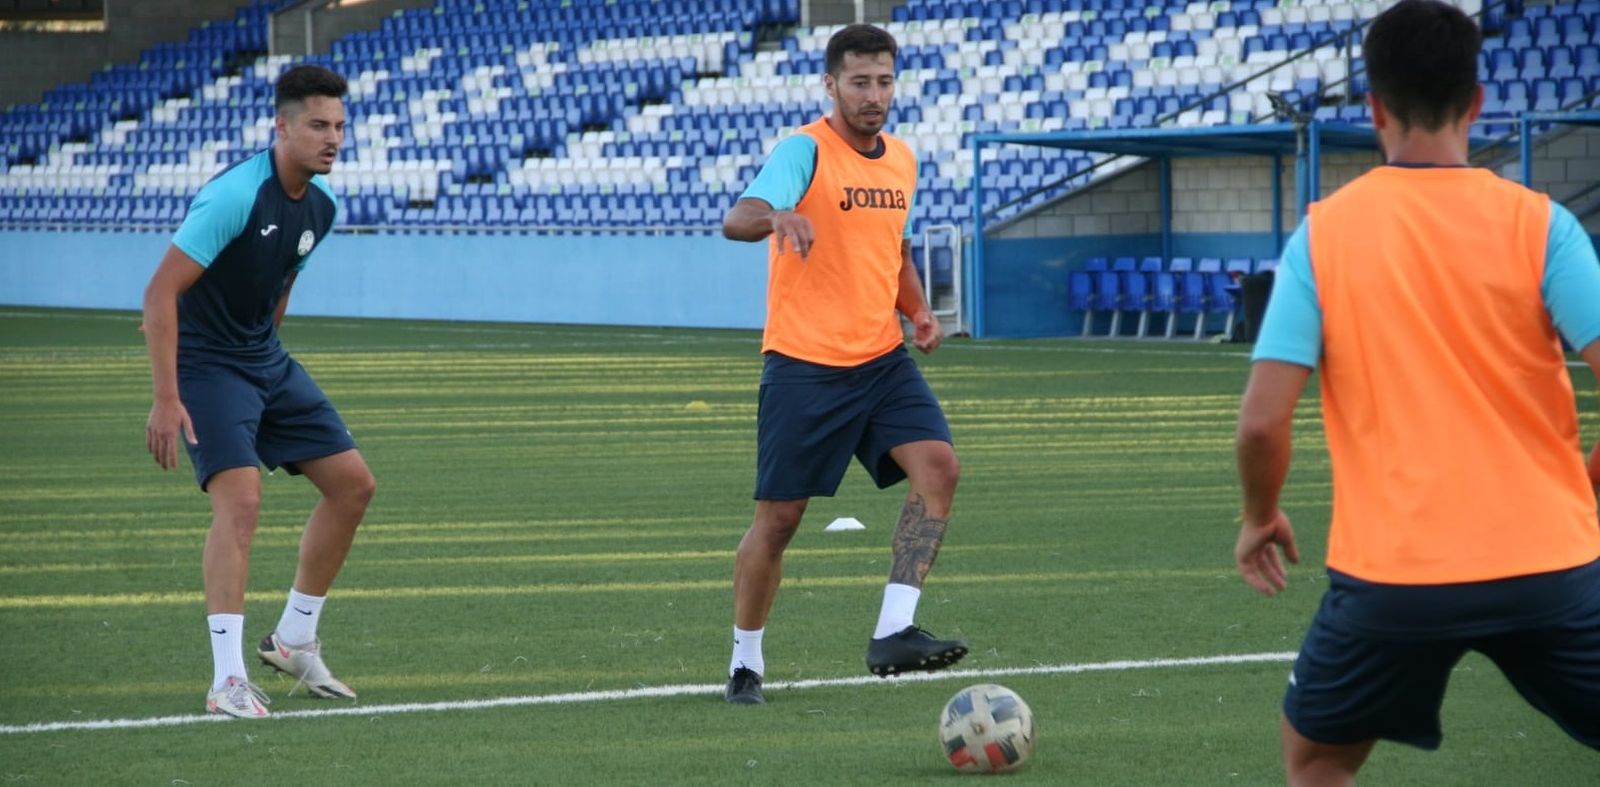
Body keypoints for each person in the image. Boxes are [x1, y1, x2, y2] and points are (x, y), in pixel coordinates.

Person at [1233, 1, 1600, 782]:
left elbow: (1262, 423)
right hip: (1550, 564)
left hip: (1395, 575)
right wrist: (1586, 487)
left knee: (1317, 758)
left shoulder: (1325, 235)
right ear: (1476, 101)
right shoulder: (1542, 226)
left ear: (1374, 107)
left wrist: (1260, 514)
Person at [719, 23, 967, 705]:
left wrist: (917, 310)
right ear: (831, 85)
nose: (873, 95)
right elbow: (737, 218)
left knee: (939, 467)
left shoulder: (902, 160)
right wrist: (776, 218)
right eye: (859, 82)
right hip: (805, 364)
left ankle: (894, 631)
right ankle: (746, 661)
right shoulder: (804, 150)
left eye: (884, 81)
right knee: (780, 519)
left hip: (882, 360)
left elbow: (895, 250)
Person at [142, 64, 374, 718]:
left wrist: (267, 364)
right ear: (282, 126)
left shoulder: (322, 207)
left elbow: (281, 283)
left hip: (263, 359)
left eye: (339, 127)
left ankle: (293, 639)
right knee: (241, 502)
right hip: (206, 366)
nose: (332, 139)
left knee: (353, 486)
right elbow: (159, 295)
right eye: (318, 125)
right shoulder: (234, 196)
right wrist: (167, 397)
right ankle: (228, 681)